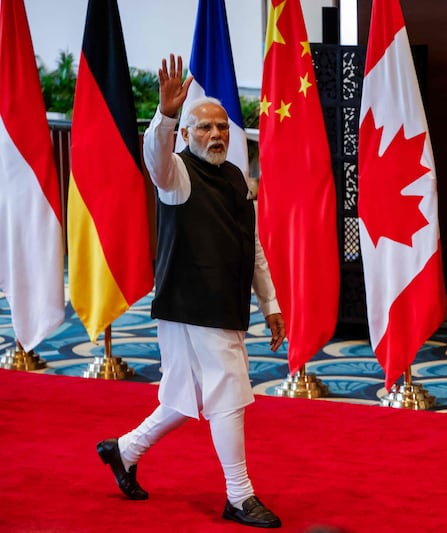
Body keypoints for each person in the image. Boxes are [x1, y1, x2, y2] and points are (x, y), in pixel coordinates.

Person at [96, 54, 285, 529]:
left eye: (222, 128)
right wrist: (165, 114)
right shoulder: (176, 174)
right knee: (229, 390)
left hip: (218, 306)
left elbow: (253, 245)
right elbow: (155, 160)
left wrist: (271, 305)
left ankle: (124, 451)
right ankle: (239, 496)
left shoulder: (237, 178)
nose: (216, 135)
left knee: (185, 397)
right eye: (204, 128)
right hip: (192, 306)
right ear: (186, 135)